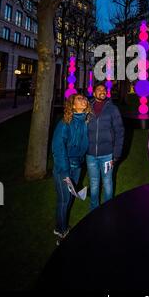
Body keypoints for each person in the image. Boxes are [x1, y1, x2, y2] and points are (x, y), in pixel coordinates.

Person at [52, 94, 91, 245]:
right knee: (64, 200)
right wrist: (65, 172)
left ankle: (60, 225)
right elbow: (58, 149)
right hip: (64, 167)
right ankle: (61, 231)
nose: (84, 100)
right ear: (73, 105)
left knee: (70, 197)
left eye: (85, 99)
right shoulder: (64, 123)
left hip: (77, 166)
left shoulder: (86, 121)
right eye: (80, 99)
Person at [87, 84, 124, 210]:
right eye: (99, 89)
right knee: (94, 184)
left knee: (107, 183)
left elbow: (119, 131)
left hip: (108, 154)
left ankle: (107, 210)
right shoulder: (88, 108)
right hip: (90, 154)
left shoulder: (112, 109)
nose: (102, 91)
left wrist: (116, 154)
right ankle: (94, 211)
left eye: (104, 89)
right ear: (94, 93)